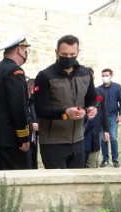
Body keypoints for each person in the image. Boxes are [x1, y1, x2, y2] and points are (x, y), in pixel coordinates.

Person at [34, 35, 98, 169]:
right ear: (56, 52)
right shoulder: (44, 76)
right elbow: (40, 109)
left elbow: (94, 97)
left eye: (72, 54)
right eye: (64, 54)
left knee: (77, 185)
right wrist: (65, 113)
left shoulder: (85, 73)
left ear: (78, 52)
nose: (68, 57)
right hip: (53, 142)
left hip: (79, 140)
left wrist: (93, 106)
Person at [0, 34, 32, 170]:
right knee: (17, 184)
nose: (26, 53)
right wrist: (23, 138)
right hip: (10, 140)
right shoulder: (15, 71)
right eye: (25, 50)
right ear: (19, 50)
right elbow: (18, 106)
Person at [98, 68, 121, 167]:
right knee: (103, 138)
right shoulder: (99, 89)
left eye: (106, 75)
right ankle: (105, 159)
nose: (105, 77)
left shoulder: (117, 87)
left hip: (113, 116)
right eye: (103, 75)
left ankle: (115, 159)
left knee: (113, 138)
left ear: (111, 76)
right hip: (101, 117)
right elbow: (97, 103)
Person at [83, 82, 110, 168]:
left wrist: (106, 130)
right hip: (81, 135)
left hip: (95, 132)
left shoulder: (99, 92)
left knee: (92, 164)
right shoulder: (77, 94)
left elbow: (104, 111)